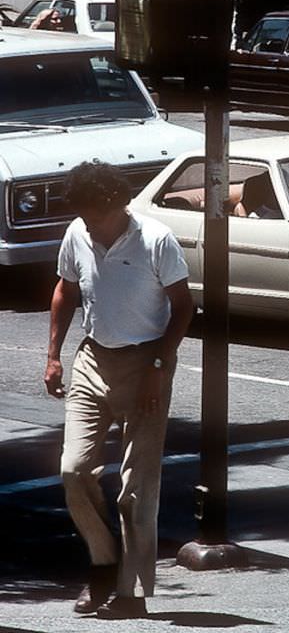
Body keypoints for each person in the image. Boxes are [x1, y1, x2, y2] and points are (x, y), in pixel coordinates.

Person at [43, 161, 193, 619]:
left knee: (137, 486)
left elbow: (184, 306)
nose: (86, 220)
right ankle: (103, 562)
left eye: (92, 212)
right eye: (81, 212)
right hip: (93, 358)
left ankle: (131, 592)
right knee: (74, 469)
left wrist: (157, 364)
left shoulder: (155, 239)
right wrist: (52, 355)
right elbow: (65, 292)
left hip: (146, 363)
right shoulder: (78, 233)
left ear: (114, 203)